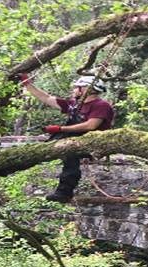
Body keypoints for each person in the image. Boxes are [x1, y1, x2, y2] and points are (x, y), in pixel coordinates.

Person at [19, 73, 114, 203]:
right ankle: (9, 167)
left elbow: (91, 125)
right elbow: (46, 98)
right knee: (42, 150)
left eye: (77, 87)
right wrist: (27, 84)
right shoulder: (74, 104)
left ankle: (64, 192)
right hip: (73, 138)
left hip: (93, 142)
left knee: (71, 155)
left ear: (86, 89)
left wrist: (60, 129)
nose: (74, 90)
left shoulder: (101, 105)